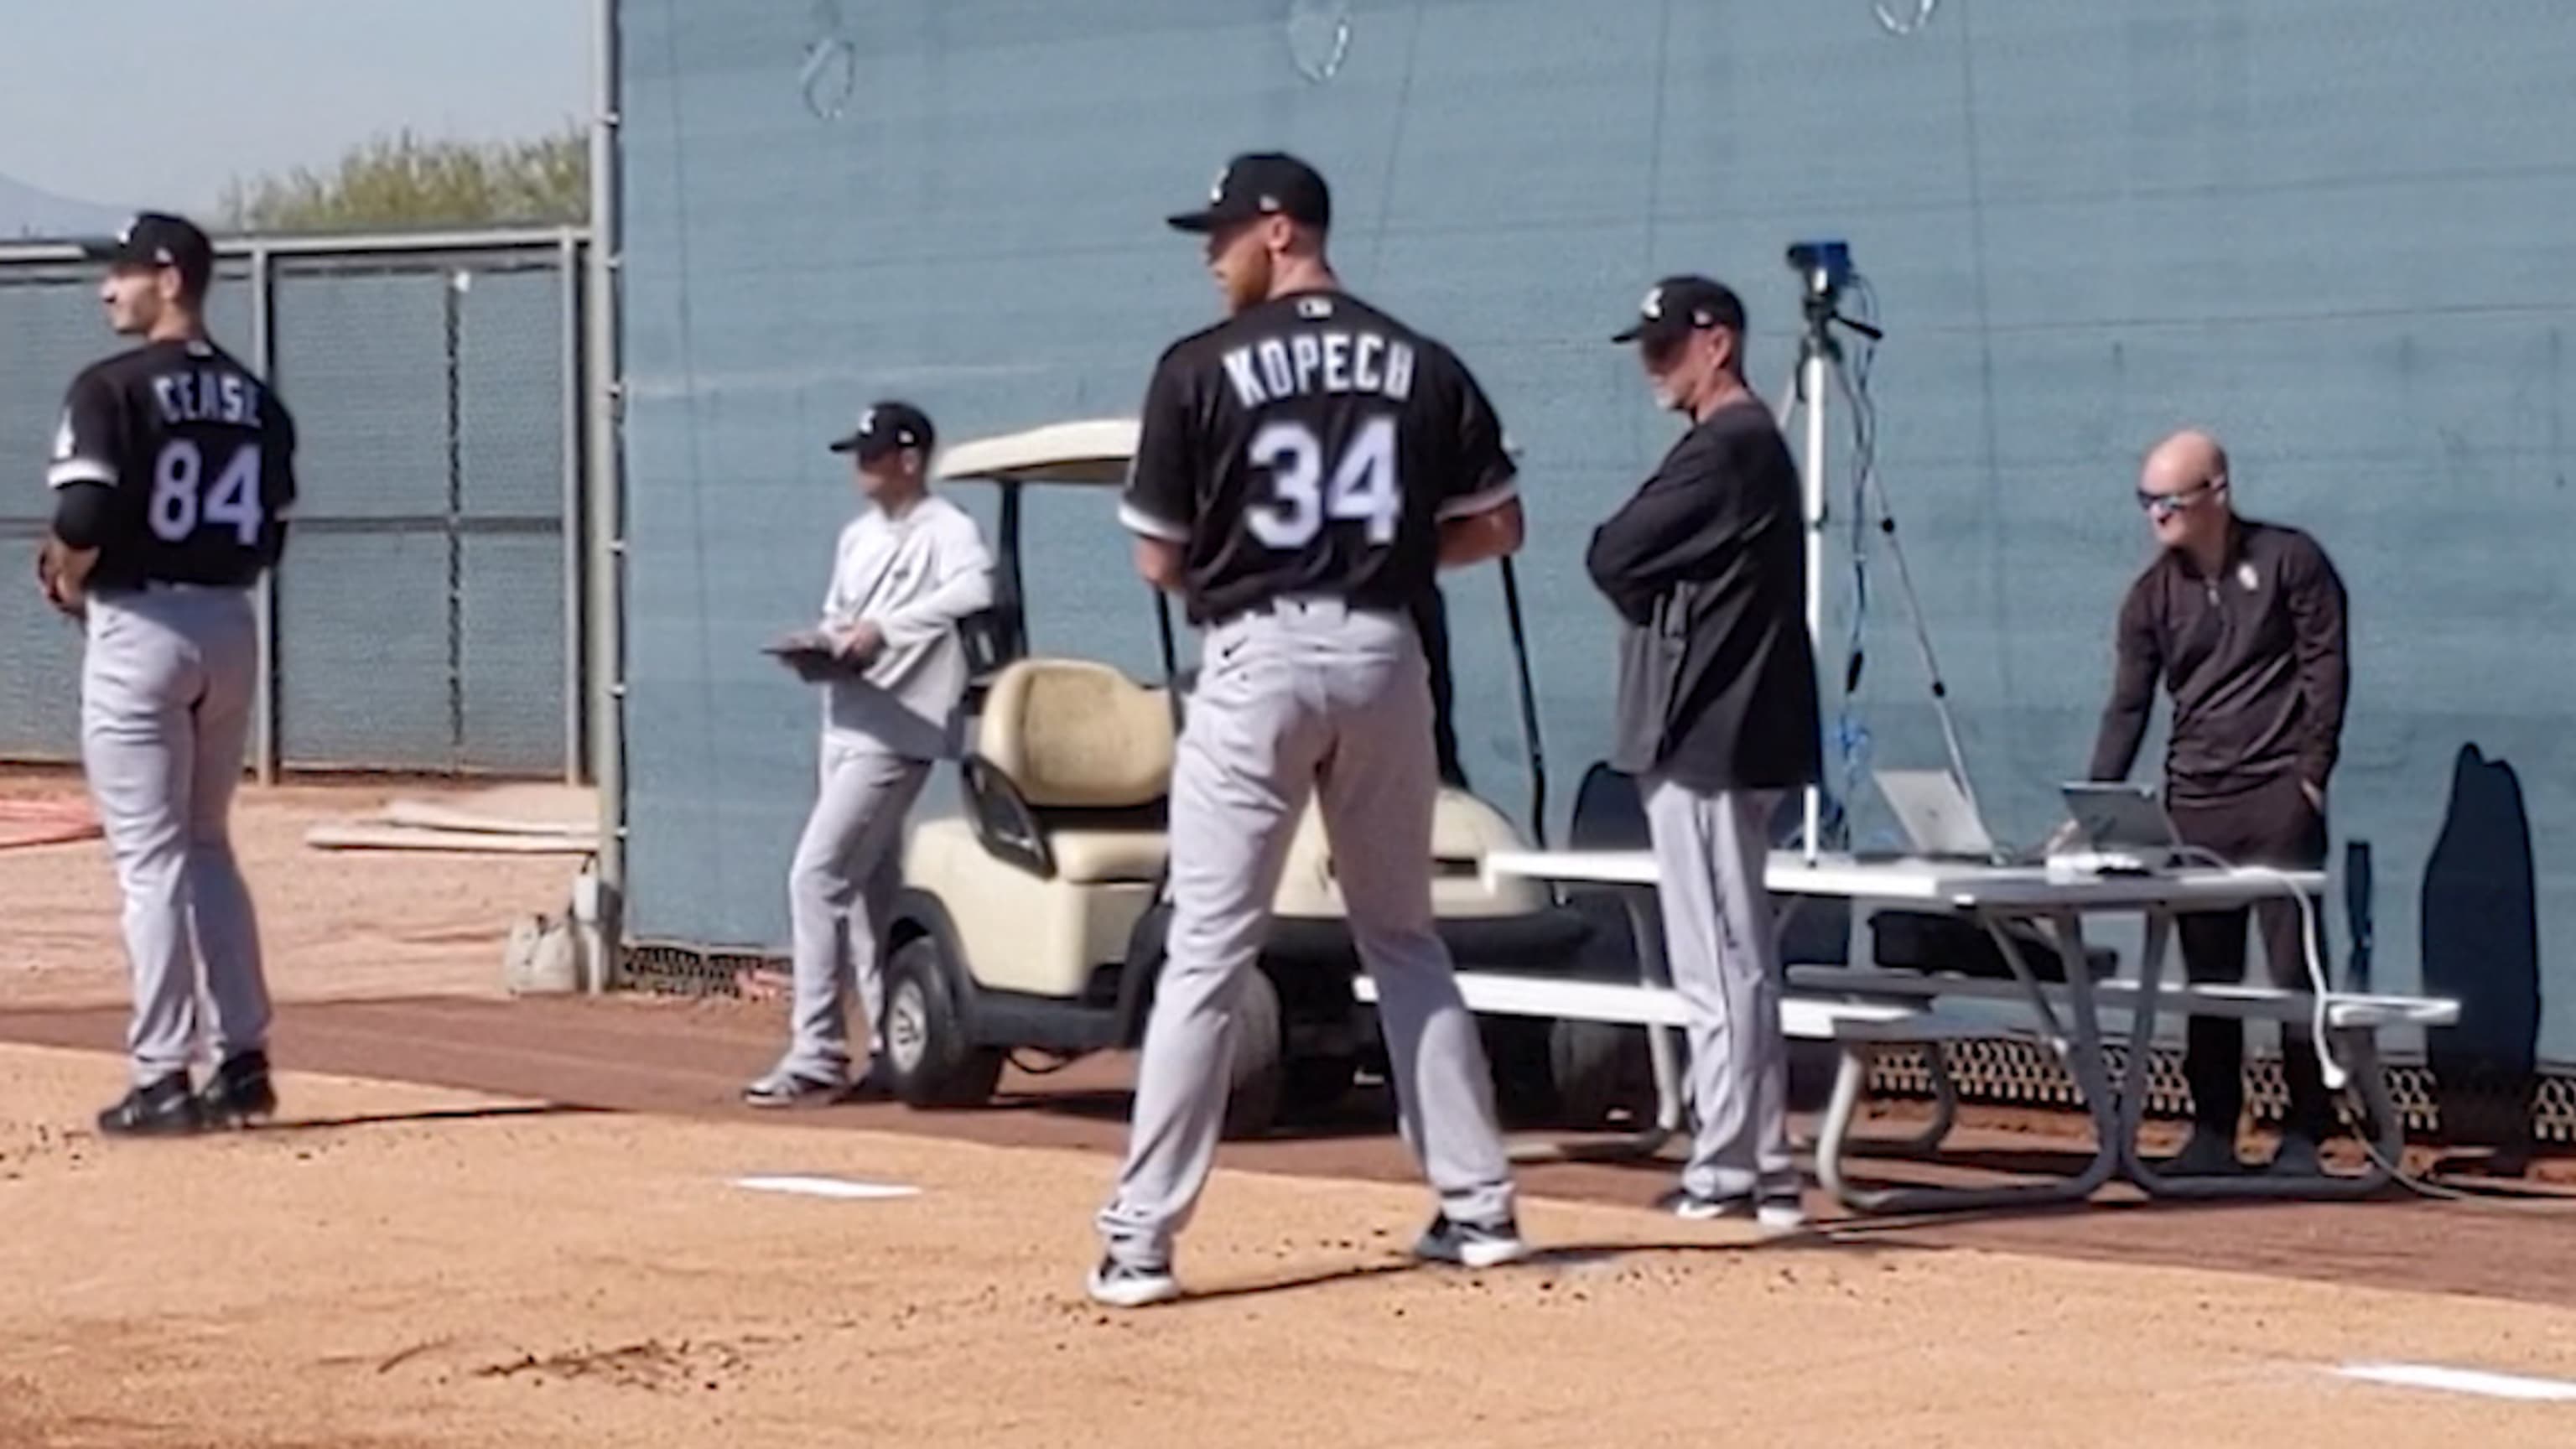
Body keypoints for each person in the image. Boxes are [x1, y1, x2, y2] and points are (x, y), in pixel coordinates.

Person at [1092, 152, 1528, 1307]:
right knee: (1405, 940)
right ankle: (1480, 1209)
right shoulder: (1421, 360)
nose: (1211, 251)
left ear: (1281, 231)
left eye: (1227, 232)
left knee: (1207, 946)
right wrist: (1376, 558)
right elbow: (1498, 527)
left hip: (1258, 652)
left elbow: (1156, 556)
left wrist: (1273, 561)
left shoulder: (1197, 367)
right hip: (1387, 651)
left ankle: (1141, 1240)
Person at [34, 213, 297, 1137]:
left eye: (124, 273)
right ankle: (244, 1061)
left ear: (171, 281)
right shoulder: (257, 398)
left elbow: (86, 507)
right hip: (229, 619)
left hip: (141, 622)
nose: (109, 288)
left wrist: (65, 571)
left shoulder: (110, 388)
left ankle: (161, 1075)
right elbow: (272, 529)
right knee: (207, 845)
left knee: (150, 862)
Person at [1584, 275, 1820, 1229]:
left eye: (1665, 348)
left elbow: (1612, 552)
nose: (1653, 368)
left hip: (1707, 732)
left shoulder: (1727, 448)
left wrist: (1652, 594)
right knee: (1738, 953)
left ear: (1716, 343)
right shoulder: (1741, 450)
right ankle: (1760, 1160)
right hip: (1724, 728)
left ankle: (1728, 1162)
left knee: (1719, 959)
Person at [2086, 428, 2349, 1176]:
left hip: (2278, 800)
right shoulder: (2149, 598)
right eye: (2146, 502)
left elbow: (2327, 669)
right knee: (2207, 979)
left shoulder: (2292, 562)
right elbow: (2128, 708)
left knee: (2293, 972)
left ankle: (2306, 1130)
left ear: (2217, 494)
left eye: (2170, 500)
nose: (2156, 517)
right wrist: (2095, 808)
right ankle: (2213, 1132)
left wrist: (2311, 775)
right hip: (2195, 805)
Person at [745, 401, 995, 1107]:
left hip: (898, 733)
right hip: (846, 720)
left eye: (874, 452)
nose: (861, 464)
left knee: (815, 875)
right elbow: (841, 616)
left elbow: (977, 591)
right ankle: (894, 1046)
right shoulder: (857, 536)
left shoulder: (947, 530)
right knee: (866, 896)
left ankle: (816, 1050)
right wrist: (826, 647)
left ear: (909, 459)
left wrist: (886, 631)